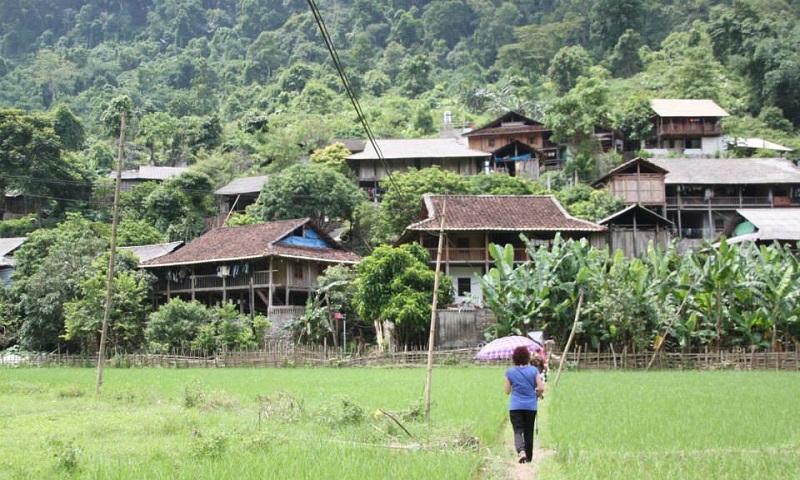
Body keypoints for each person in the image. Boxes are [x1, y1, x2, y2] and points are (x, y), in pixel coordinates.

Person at [504, 345, 544, 464]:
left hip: (515, 406)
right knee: (528, 431)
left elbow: (506, 391)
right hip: (530, 407)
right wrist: (537, 394)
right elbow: (541, 387)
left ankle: (521, 451)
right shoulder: (533, 370)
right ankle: (529, 458)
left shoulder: (510, 372)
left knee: (517, 430)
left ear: (514, 358)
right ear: (527, 357)